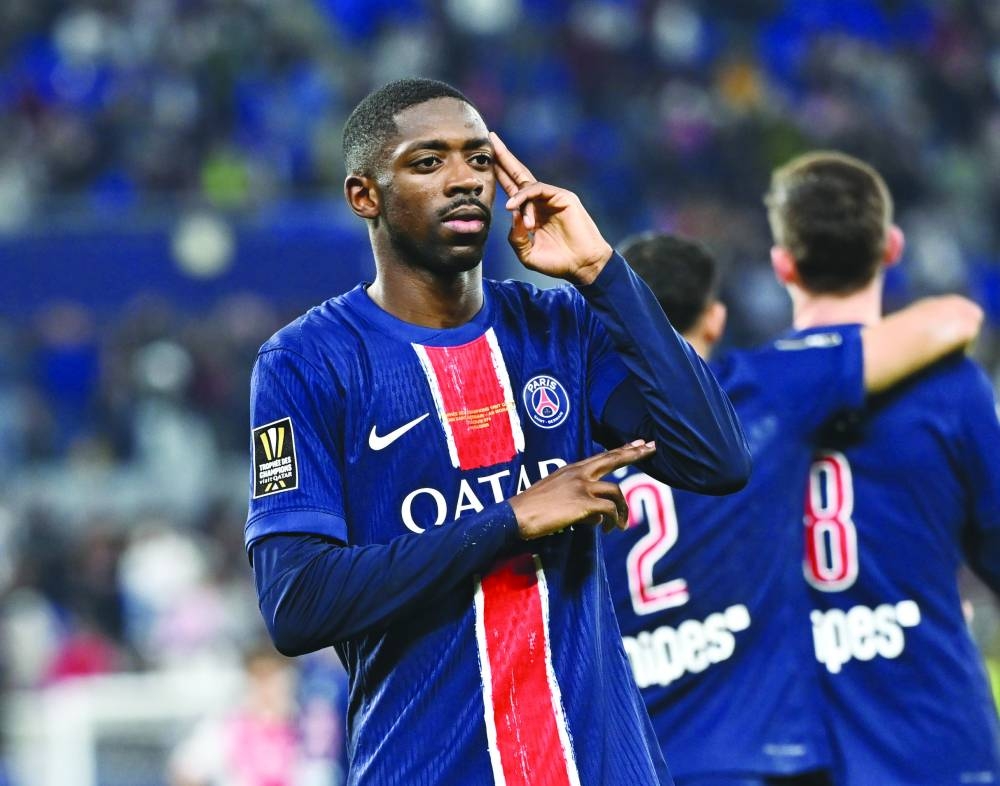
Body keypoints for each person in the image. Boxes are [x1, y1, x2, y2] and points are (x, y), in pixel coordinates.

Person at [244, 78, 751, 786]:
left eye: (479, 159)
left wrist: (603, 274)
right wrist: (512, 519)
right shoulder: (307, 361)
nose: (465, 182)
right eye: (428, 163)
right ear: (365, 195)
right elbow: (298, 605)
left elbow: (717, 459)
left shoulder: (560, 327)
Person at [602, 228, 983, 786]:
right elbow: (950, 321)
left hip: (632, 759)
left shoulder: (567, 433)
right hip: (753, 751)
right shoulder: (760, 392)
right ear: (715, 321)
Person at [766, 152, 1000, 785]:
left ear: (782, 263)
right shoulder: (952, 387)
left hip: (791, 751)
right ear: (892, 248)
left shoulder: (745, 393)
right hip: (933, 740)